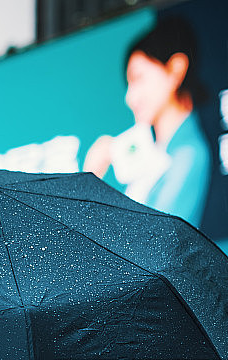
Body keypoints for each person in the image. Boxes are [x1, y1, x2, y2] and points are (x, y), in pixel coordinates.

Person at [83, 17, 211, 228]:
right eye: (129, 83)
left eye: (138, 78)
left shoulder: (188, 154)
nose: (130, 97)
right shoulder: (156, 154)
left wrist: (89, 185)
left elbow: (152, 241)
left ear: (176, 70)